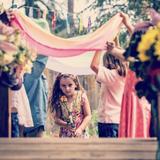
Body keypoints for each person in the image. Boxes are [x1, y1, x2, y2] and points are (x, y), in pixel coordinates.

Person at [50, 73, 91, 137]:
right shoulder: (60, 99)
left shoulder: (81, 96)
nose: (67, 88)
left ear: (75, 84)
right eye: (63, 86)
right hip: (65, 135)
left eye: (70, 85)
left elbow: (88, 115)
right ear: (59, 86)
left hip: (81, 134)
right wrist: (66, 124)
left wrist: (80, 129)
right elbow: (56, 119)